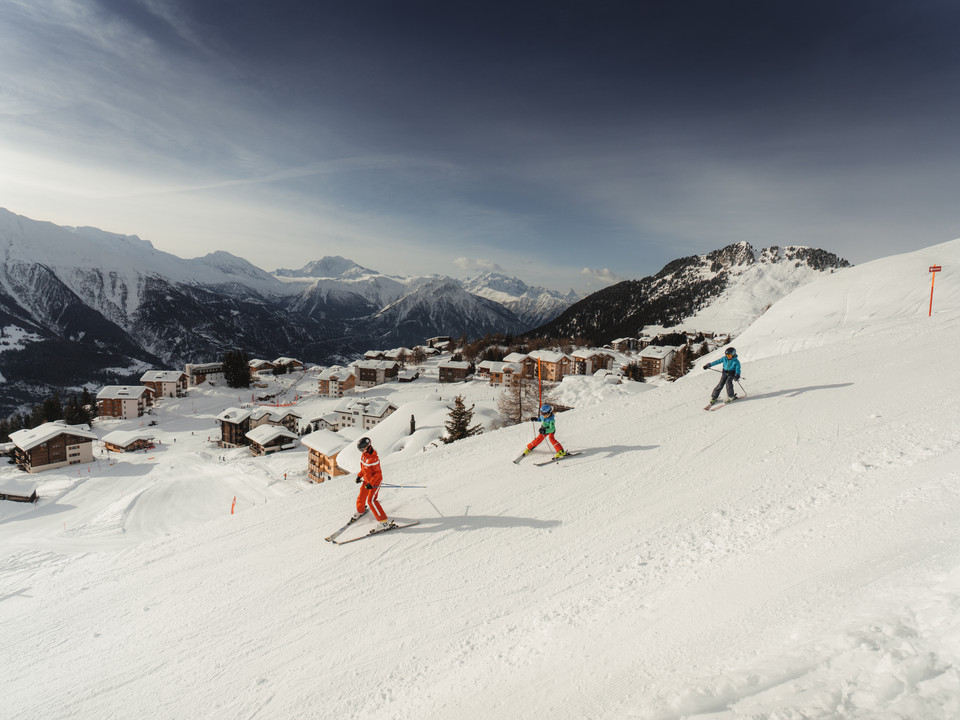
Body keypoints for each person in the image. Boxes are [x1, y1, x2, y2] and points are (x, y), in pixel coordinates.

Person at [353, 437, 392, 530]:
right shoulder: (364, 455)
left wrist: (371, 483)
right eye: (360, 450)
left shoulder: (374, 458)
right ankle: (360, 511)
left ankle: (384, 522)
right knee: (362, 495)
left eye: (362, 449)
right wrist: (359, 476)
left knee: (371, 500)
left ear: (368, 446)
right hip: (367, 480)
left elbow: (378, 474)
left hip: (375, 482)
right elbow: (364, 469)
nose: (361, 451)